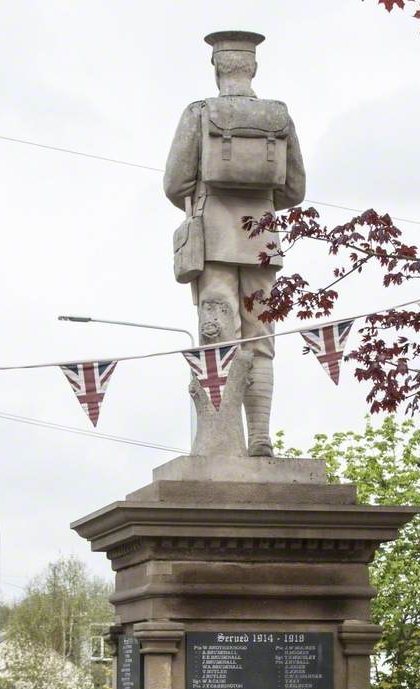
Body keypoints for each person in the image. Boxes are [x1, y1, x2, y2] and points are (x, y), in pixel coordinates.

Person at [164, 30, 306, 456]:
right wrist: (260, 201)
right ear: (253, 68)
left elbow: (175, 182)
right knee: (261, 338)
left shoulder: (199, 112)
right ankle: (260, 434)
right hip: (262, 240)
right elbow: (295, 188)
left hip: (214, 242)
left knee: (219, 335)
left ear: (216, 69)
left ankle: (222, 439)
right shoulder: (278, 117)